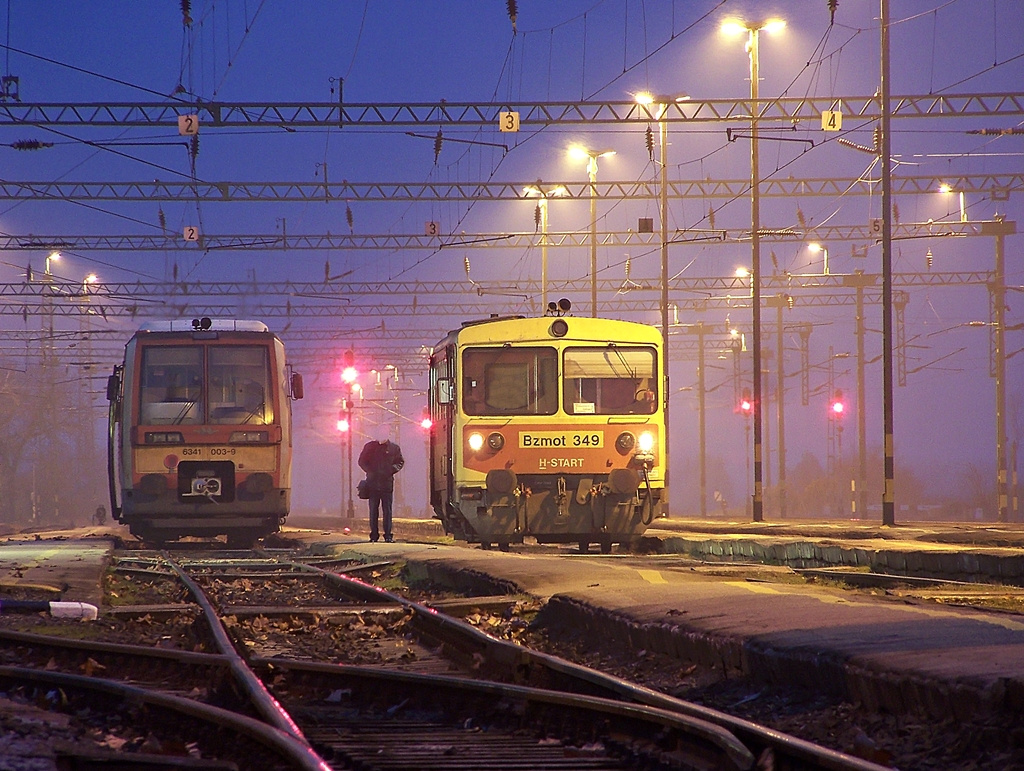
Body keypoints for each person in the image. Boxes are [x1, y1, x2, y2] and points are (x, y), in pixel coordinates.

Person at [357, 433, 405, 543]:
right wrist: (370, 471)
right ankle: (374, 535)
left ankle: (387, 535)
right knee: (374, 510)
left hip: (386, 484)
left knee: (386, 510)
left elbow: (400, 462)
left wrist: (390, 470)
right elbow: (362, 461)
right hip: (373, 484)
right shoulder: (370, 447)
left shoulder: (394, 448)